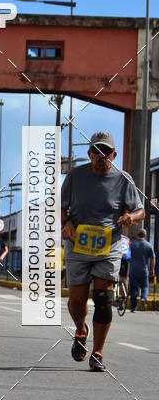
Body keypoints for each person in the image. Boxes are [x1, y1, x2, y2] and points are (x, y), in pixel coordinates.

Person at [61, 131, 144, 372]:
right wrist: (66, 223)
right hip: (78, 245)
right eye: (96, 151)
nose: (101, 156)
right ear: (89, 154)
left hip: (108, 246)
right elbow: (61, 207)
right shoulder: (75, 176)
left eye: (105, 152)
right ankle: (80, 329)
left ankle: (97, 353)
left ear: (113, 155)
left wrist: (130, 216)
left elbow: (139, 210)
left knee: (104, 300)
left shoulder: (123, 179)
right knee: (76, 302)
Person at [129, 229, 156, 312]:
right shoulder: (148, 245)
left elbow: (127, 255)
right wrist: (152, 269)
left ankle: (134, 307)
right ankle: (143, 298)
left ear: (138, 235)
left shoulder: (132, 244)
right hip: (144, 270)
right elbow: (153, 258)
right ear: (145, 235)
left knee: (134, 288)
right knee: (145, 286)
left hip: (133, 270)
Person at [119, 232, 131, 297]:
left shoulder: (116, 237)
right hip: (126, 260)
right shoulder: (127, 239)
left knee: (119, 277)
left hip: (119, 258)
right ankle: (126, 294)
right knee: (126, 278)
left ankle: (121, 293)